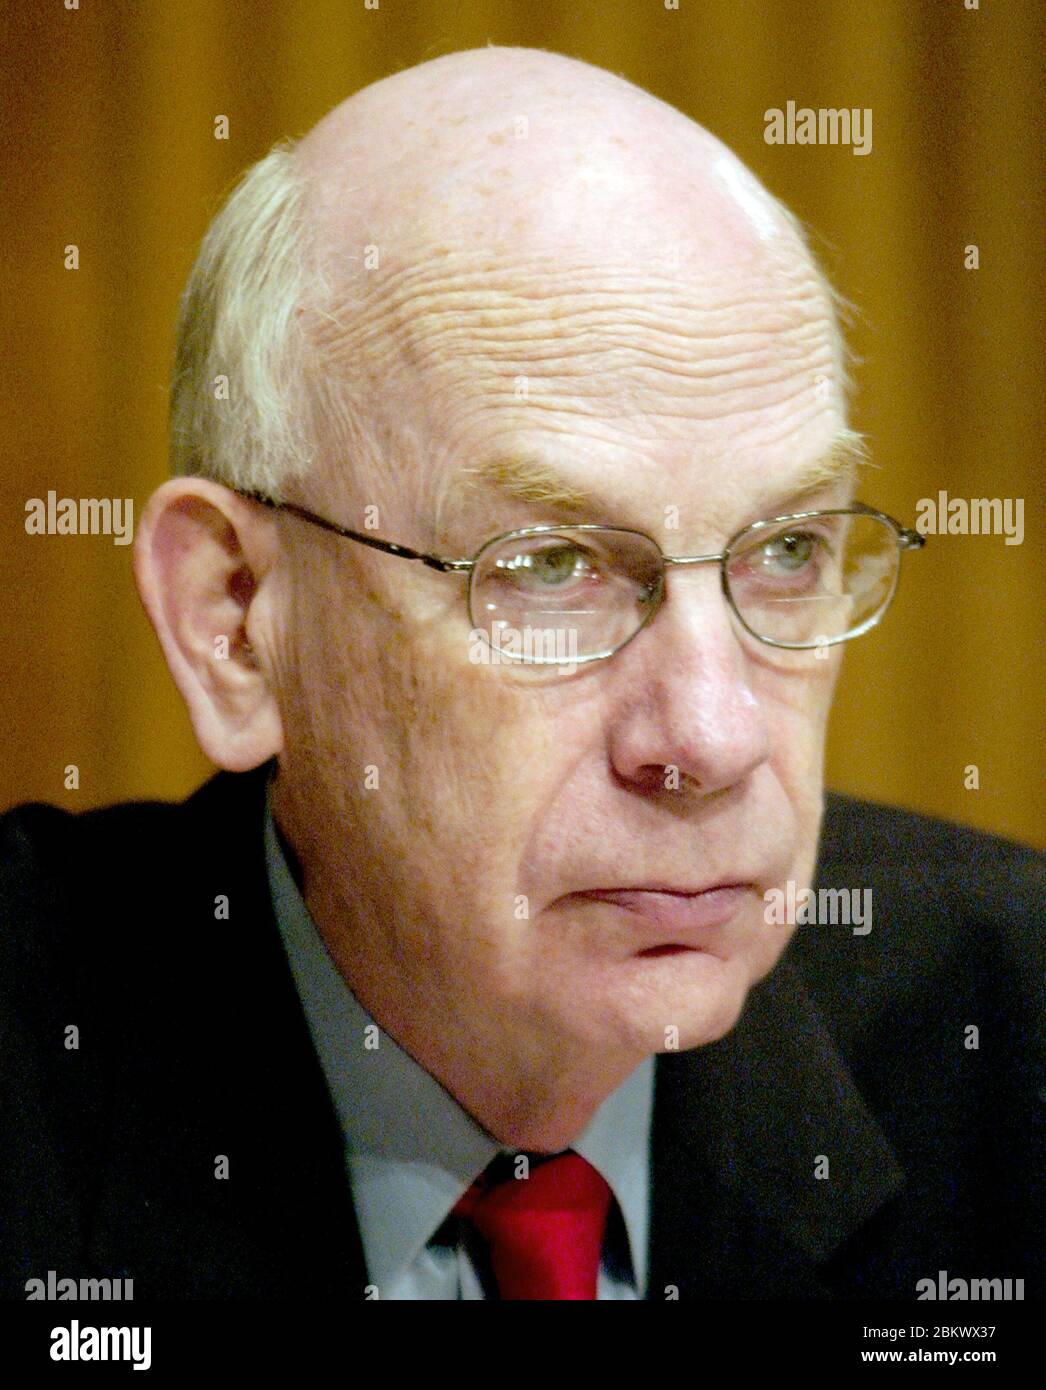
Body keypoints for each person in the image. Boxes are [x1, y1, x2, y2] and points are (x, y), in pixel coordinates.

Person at [1, 46, 1042, 1302]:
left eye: (783, 551)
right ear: (234, 618)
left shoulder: (1011, 1039)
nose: (711, 739)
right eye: (549, 567)